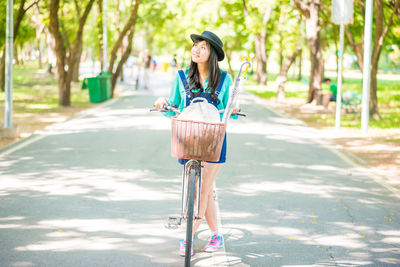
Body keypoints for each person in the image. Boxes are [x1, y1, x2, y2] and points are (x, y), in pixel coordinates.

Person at [154, 31, 239, 256]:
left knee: (201, 192)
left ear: (212, 54)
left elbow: (231, 108)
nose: (196, 50)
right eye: (194, 45)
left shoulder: (225, 79)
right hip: (189, 138)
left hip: (213, 140)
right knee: (206, 190)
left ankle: (188, 238)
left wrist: (235, 108)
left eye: (202, 47)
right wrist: (163, 103)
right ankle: (216, 234)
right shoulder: (181, 76)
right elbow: (173, 105)